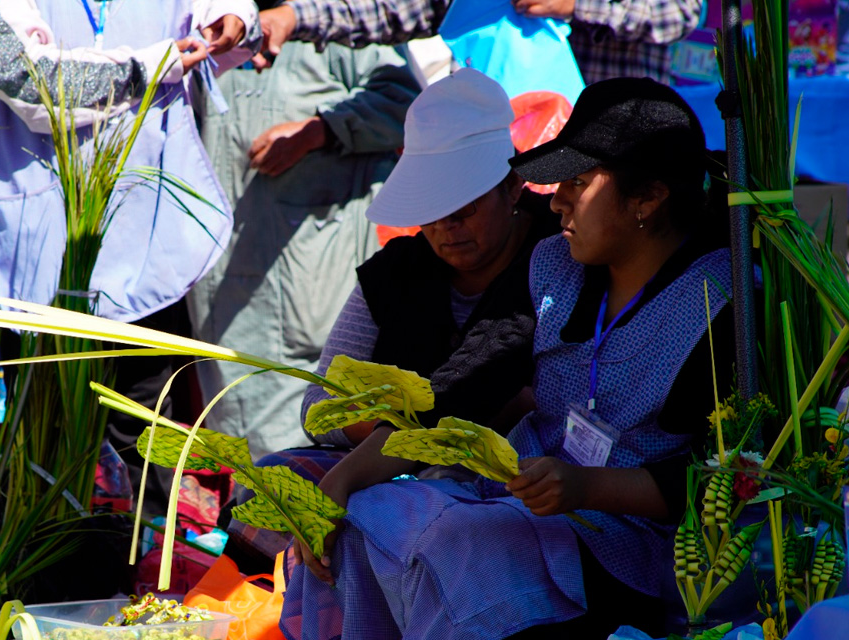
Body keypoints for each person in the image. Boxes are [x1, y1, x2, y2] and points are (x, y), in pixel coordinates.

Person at [281, 77, 734, 639]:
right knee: (355, 521)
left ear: (647, 197)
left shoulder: (718, 302)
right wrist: (340, 483)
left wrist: (586, 487)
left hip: (634, 546)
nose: (558, 199)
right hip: (524, 503)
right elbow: (465, 386)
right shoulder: (557, 264)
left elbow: (720, 477)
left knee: (453, 548)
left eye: (578, 182)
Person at [218, 68, 556, 571]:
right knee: (271, 487)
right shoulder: (397, 272)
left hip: (512, 479)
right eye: (431, 212)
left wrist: (371, 461)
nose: (446, 228)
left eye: (463, 208)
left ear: (511, 188)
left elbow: (509, 391)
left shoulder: (554, 255)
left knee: (403, 510)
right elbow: (318, 403)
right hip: (383, 467)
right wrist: (389, 437)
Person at [0, 0, 259, 510]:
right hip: (42, 255)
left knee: (148, 438)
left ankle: (154, 581)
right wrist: (152, 66)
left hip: (148, 237)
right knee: (44, 444)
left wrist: (234, 20)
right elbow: (24, 79)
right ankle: (45, 583)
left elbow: (232, 20)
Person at [188, 14, 420, 455]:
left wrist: (320, 130)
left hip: (308, 279)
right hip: (224, 279)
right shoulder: (208, 19)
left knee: (308, 446)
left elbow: (407, 102)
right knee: (237, 440)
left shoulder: (338, 17)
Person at [253, 0, 702, 85]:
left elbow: (679, 13)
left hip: (615, 161)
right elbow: (393, 9)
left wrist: (576, 6)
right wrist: (293, 16)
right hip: (507, 163)